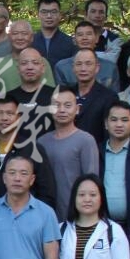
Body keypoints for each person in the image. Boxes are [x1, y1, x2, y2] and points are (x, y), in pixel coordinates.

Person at [0, 95, 57, 207]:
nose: (4, 118)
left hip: (27, 214)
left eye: (10, 113)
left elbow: (47, 192)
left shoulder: (33, 149)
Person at [38, 88, 99, 219]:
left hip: (75, 215)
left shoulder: (85, 140)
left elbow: (91, 182)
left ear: (77, 109)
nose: (62, 110)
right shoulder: (42, 142)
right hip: (47, 214)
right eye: (56, 105)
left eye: (67, 105)